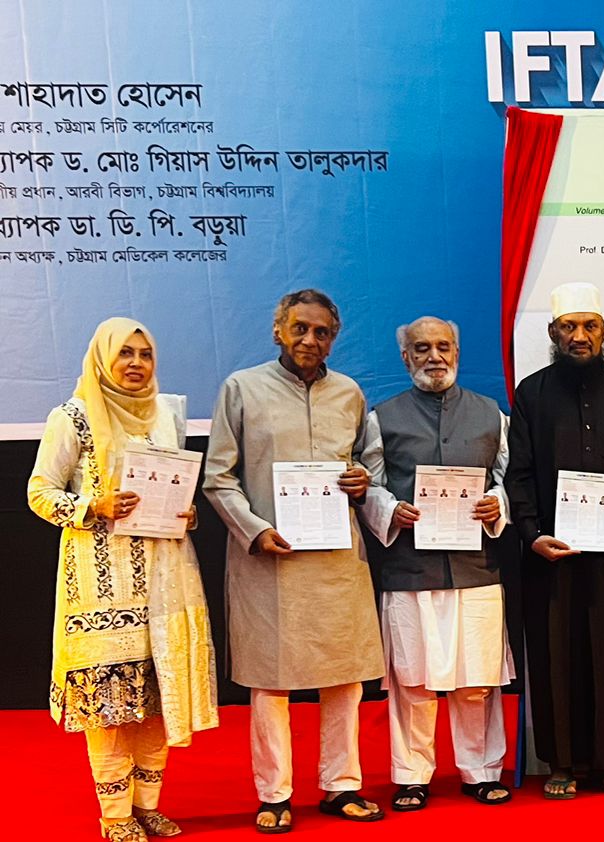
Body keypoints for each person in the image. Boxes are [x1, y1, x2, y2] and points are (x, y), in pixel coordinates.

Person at [202, 289, 387, 831]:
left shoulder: (349, 393)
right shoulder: (242, 388)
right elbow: (217, 476)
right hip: (270, 559)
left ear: (334, 338)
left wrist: (362, 481)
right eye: (300, 328)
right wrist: (255, 531)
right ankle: (274, 794)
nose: (310, 339)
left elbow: (369, 465)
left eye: (321, 332)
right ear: (278, 330)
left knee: (346, 679)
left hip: (336, 560)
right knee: (270, 682)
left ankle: (341, 785)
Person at [27, 318, 218, 841]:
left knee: (156, 700)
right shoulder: (73, 416)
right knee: (112, 708)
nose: (136, 364)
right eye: (125, 353)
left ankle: (147, 805)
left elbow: (176, 487)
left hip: (166, 582)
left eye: (145, 353)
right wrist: (94, 505)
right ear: (102, 358)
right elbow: (39, 492)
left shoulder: (165, 416)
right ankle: (114, 815)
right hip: (100, 588)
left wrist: (186, 514)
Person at [360, 317, 515, 811]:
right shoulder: (381, 418)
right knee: (413, 681)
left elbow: (510, 479)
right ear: (405, 357)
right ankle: (412, 775)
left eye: (443, 346)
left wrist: (498, 504)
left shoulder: (492, 415)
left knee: (477, 681)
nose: (434, 356)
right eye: (422, 348)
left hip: (476, 569)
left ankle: (481, 770)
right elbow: (368, 484)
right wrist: (390, 509)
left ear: (457, 352)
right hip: (410, 570)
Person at [506, 283, 604, 799]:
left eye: (589, 326)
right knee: (556, 656)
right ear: (553, 332)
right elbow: (519, 474)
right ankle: (561, 764)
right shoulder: (532, 393)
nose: (579, 336)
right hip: (552, 556)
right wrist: (532, 534)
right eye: (569, 327)